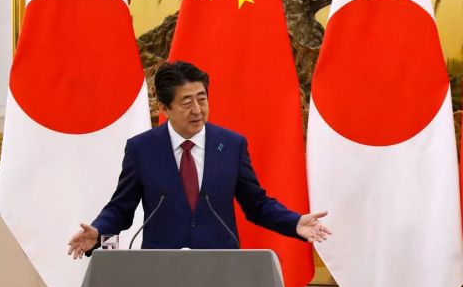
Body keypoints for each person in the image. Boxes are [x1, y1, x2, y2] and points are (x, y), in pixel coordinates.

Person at [67, 61, 330, 258]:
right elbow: (121, 208)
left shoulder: (231, 145)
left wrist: (294, 222)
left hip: (220, 267)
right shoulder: (142, 149)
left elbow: (256, 204)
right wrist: (98, 232)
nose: (197, 110)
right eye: (186, 102)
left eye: (202, 99)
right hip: (161, 270)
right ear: (164, 108)